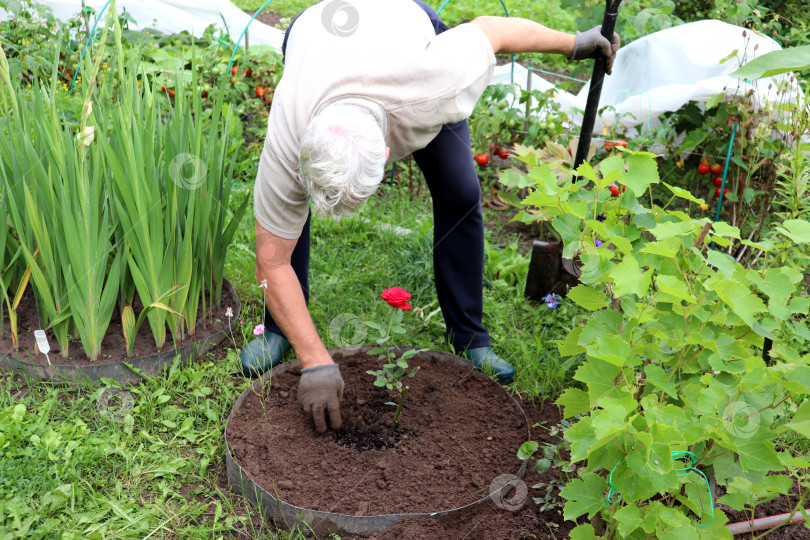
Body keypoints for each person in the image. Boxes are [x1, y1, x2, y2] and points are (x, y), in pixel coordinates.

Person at [240, 0, 620, 433]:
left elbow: (492, 30)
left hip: (406, 34)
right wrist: (317, 363)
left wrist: (574, 43)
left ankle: (469, 337)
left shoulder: (439, 80)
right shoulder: (292, 127)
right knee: (285, 220)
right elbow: (271, 258)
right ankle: (279, 329)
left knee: (460, 191)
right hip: (318, 35)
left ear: (387, 156)